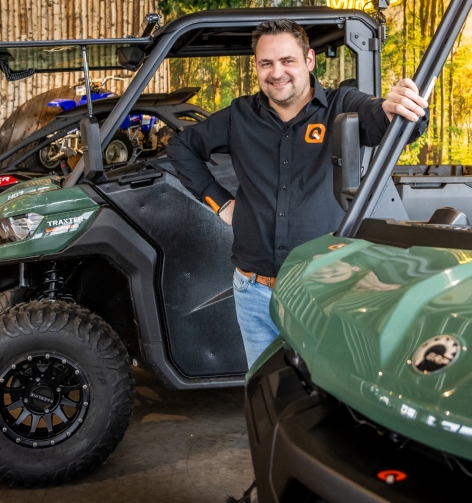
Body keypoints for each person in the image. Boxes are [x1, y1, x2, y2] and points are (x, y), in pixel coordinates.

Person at [168, 19, 428, 367]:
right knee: (265, 398)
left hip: (326, 291)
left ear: (309, 60)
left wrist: (402, 108)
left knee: (328, 400)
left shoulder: (344, 105)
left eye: (287, 60)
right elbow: (181, 147)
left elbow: (385, 120)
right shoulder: (239, 116)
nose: (277, 73)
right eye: (266, 63)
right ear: (257, 67)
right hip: (254, 290)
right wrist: (222, 204)